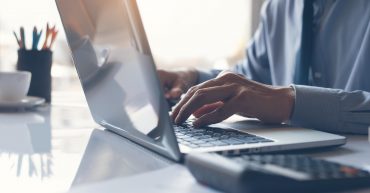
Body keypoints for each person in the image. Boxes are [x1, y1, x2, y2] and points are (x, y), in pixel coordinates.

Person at [158, 0, 370, 134]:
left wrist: (291, 102)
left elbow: (269, 95)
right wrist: (193, 79)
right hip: (290, 164)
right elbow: (252, 82)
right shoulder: (278, 6)